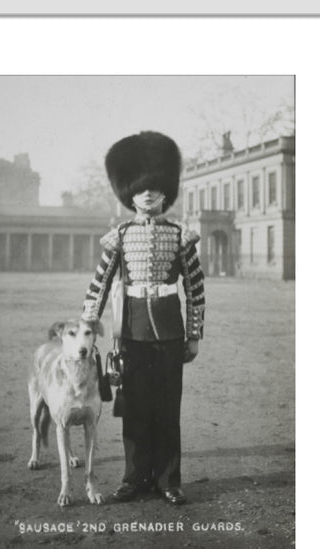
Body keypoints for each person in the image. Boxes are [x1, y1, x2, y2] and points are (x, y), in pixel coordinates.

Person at [82, 131, 205, 505]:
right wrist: (88, 325)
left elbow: (196, 289)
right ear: (129, 194)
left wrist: (194, 334)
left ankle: (169, 479)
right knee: (134, 409)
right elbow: (100, 283)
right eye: (140, 188)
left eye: (154, 186)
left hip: (169, 332)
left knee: (168, 409)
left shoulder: (180, 236)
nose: (148, 193)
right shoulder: (119, 235)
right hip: (131, 333)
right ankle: (134, 476)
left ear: (166, 191)